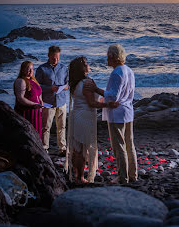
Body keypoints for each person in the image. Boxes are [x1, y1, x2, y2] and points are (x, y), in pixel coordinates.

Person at [86, 44, 138, 184]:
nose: (106, 59)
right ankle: (133, 174)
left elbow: (113, 96)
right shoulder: (128, 70)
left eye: (108, 56)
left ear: (113, 57)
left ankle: (123, 177)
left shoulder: (117, 72)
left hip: (117, 113)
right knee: (129, 144)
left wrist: (97, 89)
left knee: (119, 146)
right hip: (128, 111)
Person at [66, 56, 118, 184]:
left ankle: (76, 176)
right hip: (85, 116)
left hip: (76, 115)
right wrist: (107, 105)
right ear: (82, 68)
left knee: (77, 148)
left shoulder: (75, 83)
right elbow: (91, 103)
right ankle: (80, 178)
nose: (88, 65)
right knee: (82, 149)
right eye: (86, 63)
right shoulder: (86, 83)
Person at [35, 46, 69, 156]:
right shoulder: (41, 69)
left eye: (58, 58)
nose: (56, 60)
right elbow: (37, 86)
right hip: (48, 102)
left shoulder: (64, 68)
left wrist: (65, 87)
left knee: (62, 126)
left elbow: (68, 83)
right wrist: (50, 88)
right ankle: (45, 148)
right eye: (54, 58)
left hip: (61, 101)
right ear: (48, 55)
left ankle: (62, 148)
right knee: (46, 127)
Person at [14, 60, 42, 138]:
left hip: (35, 111)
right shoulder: (21, 81)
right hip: (27, 112)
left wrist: (41, 101)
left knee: (36, 133)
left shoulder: (33, 80)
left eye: (32, 69)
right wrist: (34, 104)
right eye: (28, 69)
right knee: (28, 134)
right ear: (23, 70)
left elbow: (38, 93)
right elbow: (20, 98)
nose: (31, 71)